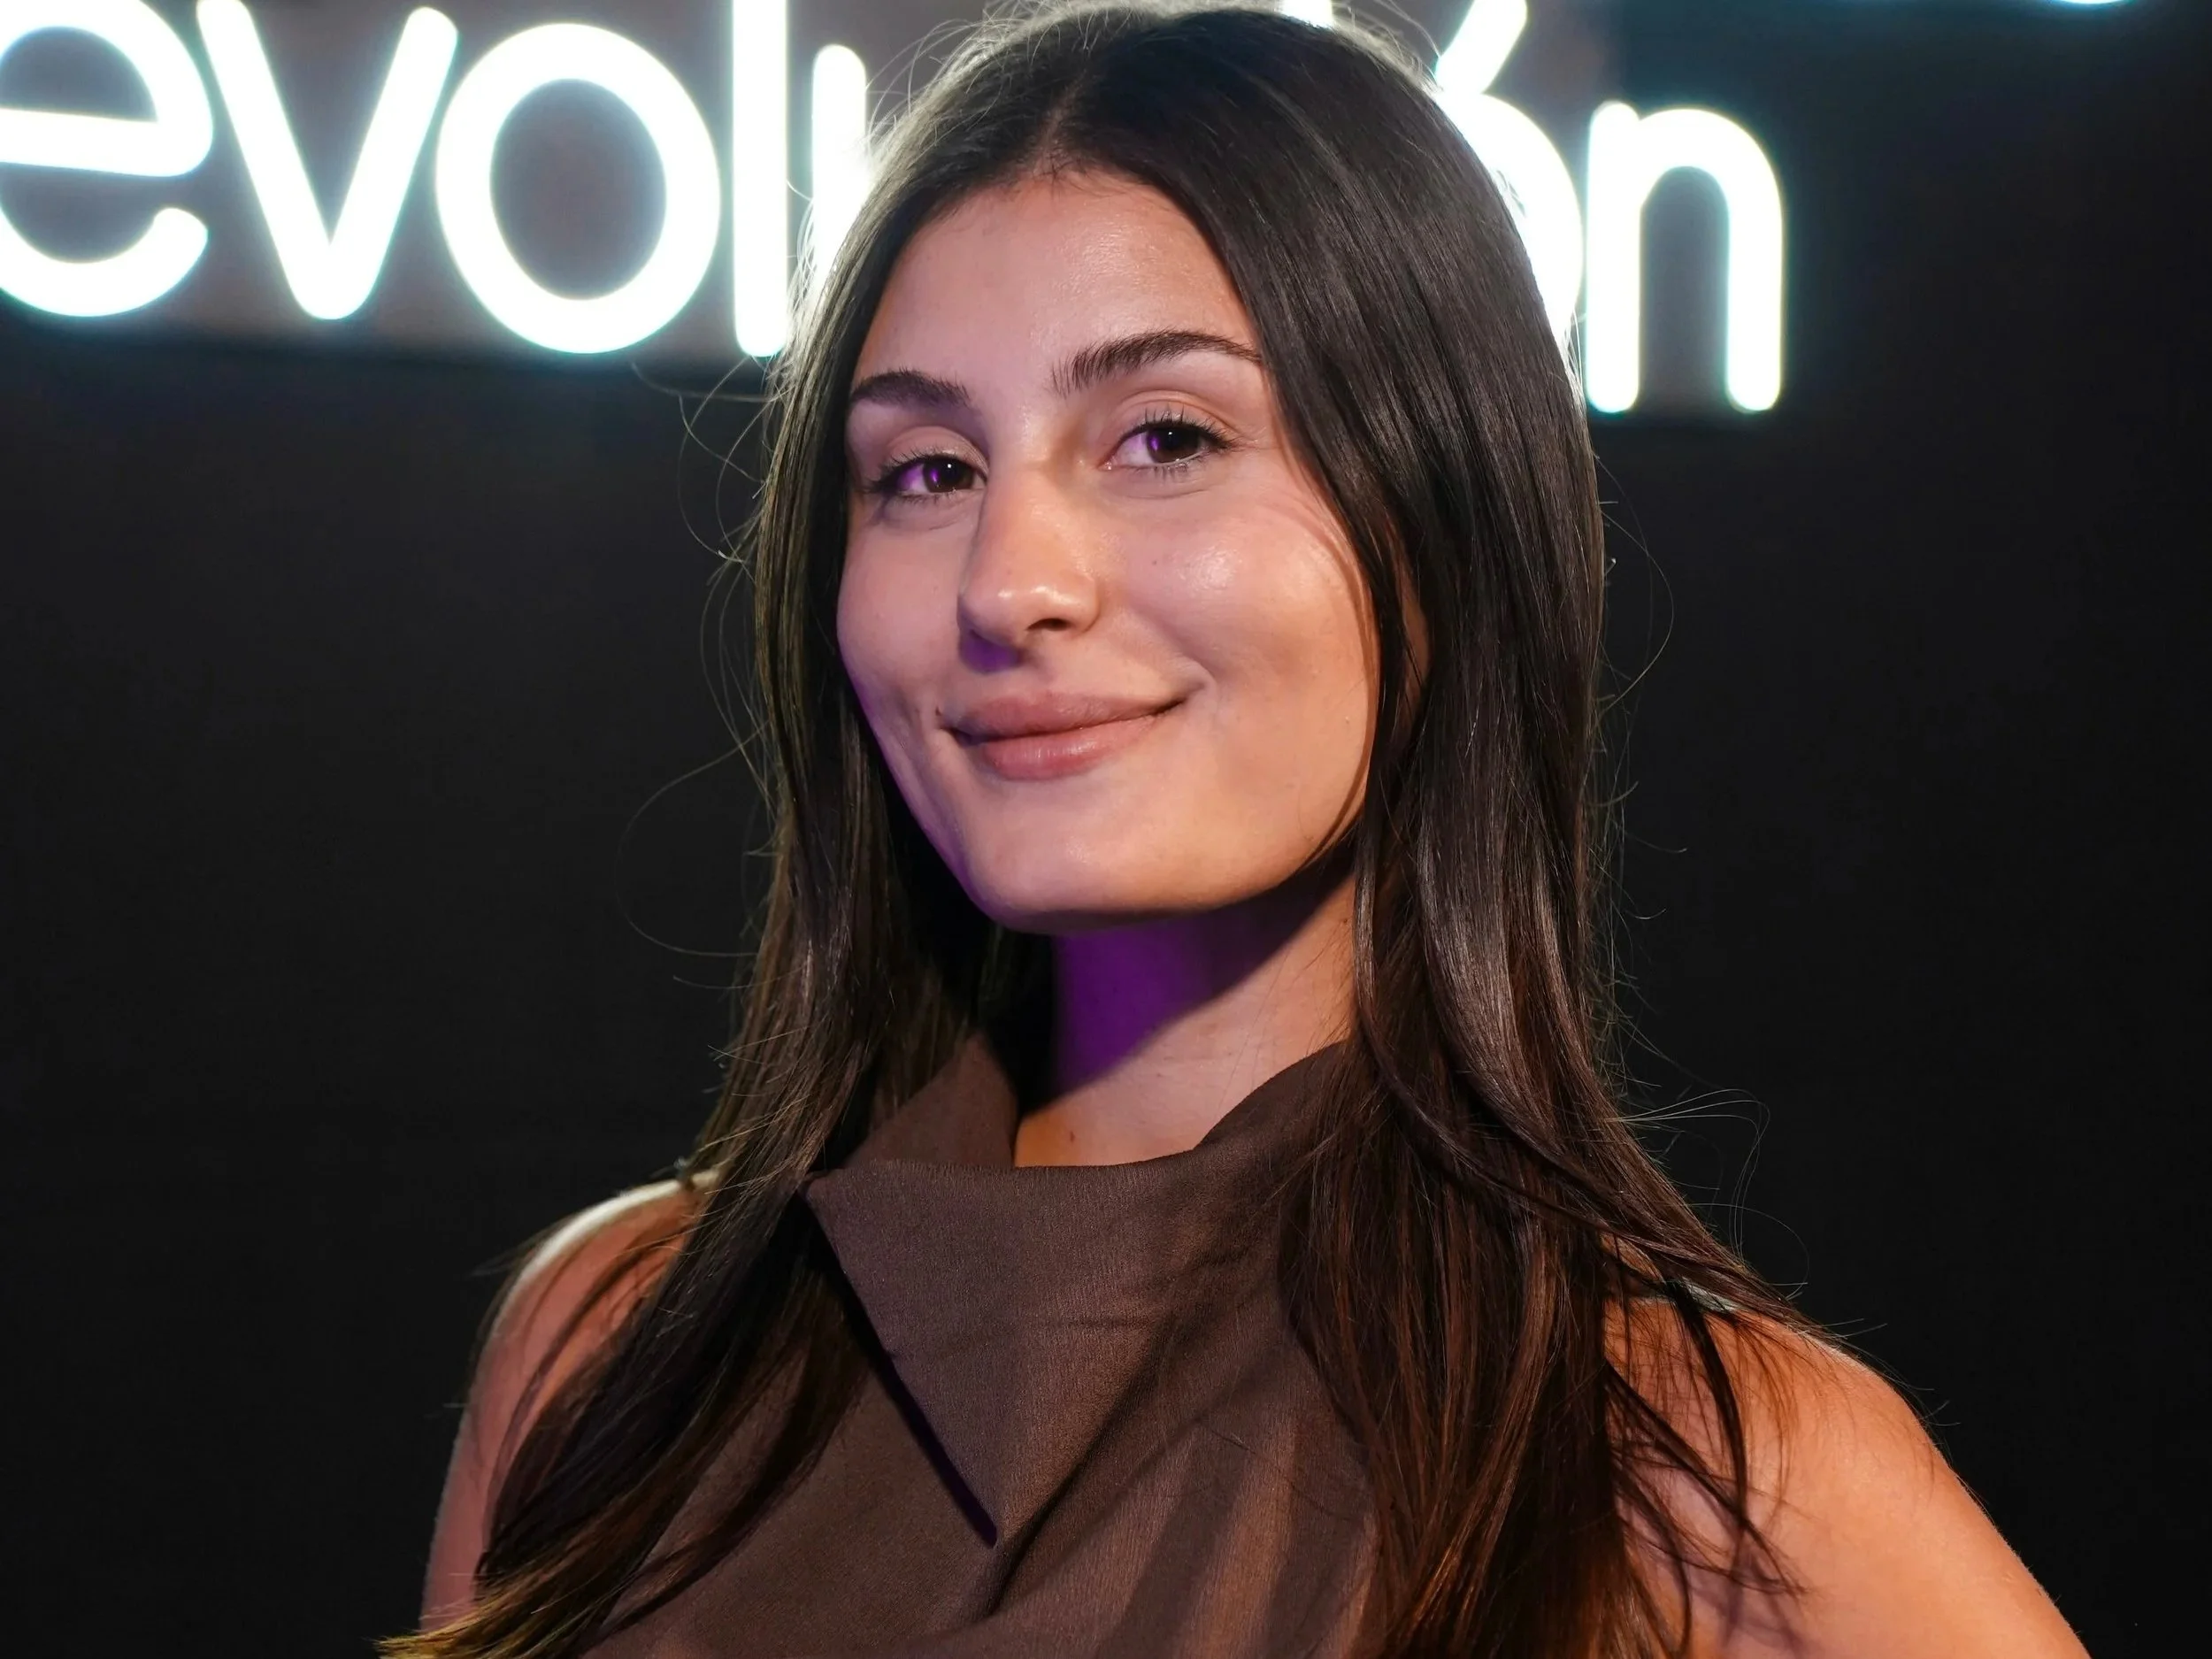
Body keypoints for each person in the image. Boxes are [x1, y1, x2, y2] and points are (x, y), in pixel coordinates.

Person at [392, 5, 2090, 1656]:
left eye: (1166, 436)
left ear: (1441, 532)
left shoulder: (1686, 1470)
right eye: (925, 470)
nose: (1011, 582)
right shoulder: (616, 1345)